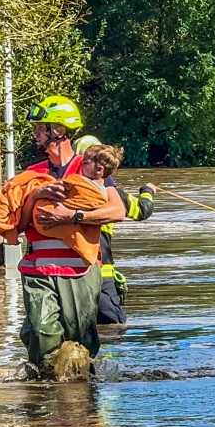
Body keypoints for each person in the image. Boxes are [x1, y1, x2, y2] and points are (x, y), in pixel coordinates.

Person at [12, 95, 125, 374]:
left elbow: (117, 211)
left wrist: (72, 216)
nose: (36, 133)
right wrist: (35, 195)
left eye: (42, 127)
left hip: (79, 272)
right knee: (41, 333)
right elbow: (17, 225)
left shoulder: (89, 170)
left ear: (59, 131)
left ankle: (82, 405)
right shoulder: (32, 173)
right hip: (37, 268)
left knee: (80, 345)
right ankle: (41, 399)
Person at [73, 136, 156, 325]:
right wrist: (148, 191)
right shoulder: (115, 196)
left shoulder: (63, 189)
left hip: (69, 274)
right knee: (113, 326)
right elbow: (143, 210)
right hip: (102, 276)